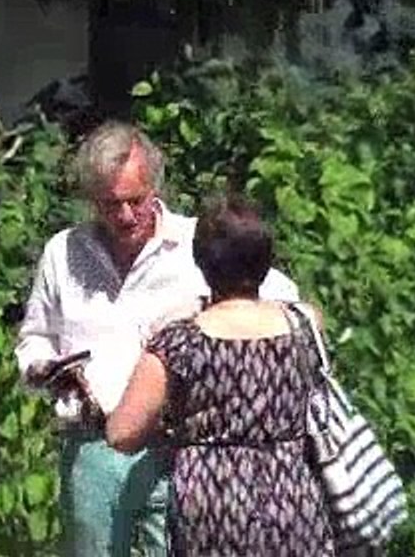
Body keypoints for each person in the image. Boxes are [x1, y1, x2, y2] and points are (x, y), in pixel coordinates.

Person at [15, 121, 300, 557]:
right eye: (111, 204)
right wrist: (44, 369)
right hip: (92, 443)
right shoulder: (64, 252)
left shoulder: (196, 244)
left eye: (136, 201)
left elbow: (281, 299)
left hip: (176, 448)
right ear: (92, 200)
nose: (126, 216)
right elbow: (34, 338)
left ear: (155, 188)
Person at [106, 194, 335, 555]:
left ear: (201, 262)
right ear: (266, 260)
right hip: (293, 495)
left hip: (211, 506)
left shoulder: (180, 341)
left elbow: (121, 433)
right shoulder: (305, 324)